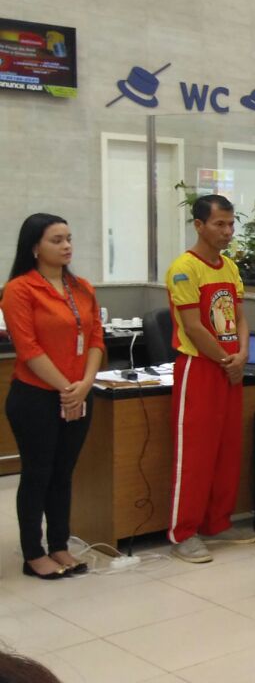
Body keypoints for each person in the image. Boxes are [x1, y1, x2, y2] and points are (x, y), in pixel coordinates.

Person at [2, 213, 103, 579]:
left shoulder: (83, 288)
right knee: (37, 474)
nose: (66, 246)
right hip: (36, 398)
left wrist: (85, 384)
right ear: (34, 247)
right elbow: (28, 349)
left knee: (64, 473)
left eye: (69, 239)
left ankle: (60, 546)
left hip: (78, 393)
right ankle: (34, 554)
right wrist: (67, 390)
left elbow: (96, 340)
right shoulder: (19, 290)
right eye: (56, 240)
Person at [165, 195, 255, 564]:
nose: (227, 231)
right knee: (196, 453)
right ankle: (183, 531)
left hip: (230, 367)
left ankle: (217, 522)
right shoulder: (184, 269)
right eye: (220, 224)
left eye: (231, 224)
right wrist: (225, 359)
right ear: (199, 225)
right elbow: (193, 326)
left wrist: (243, 355)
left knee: (226, 448)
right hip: (200, 368)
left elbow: (239, 317)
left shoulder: (230, 268)